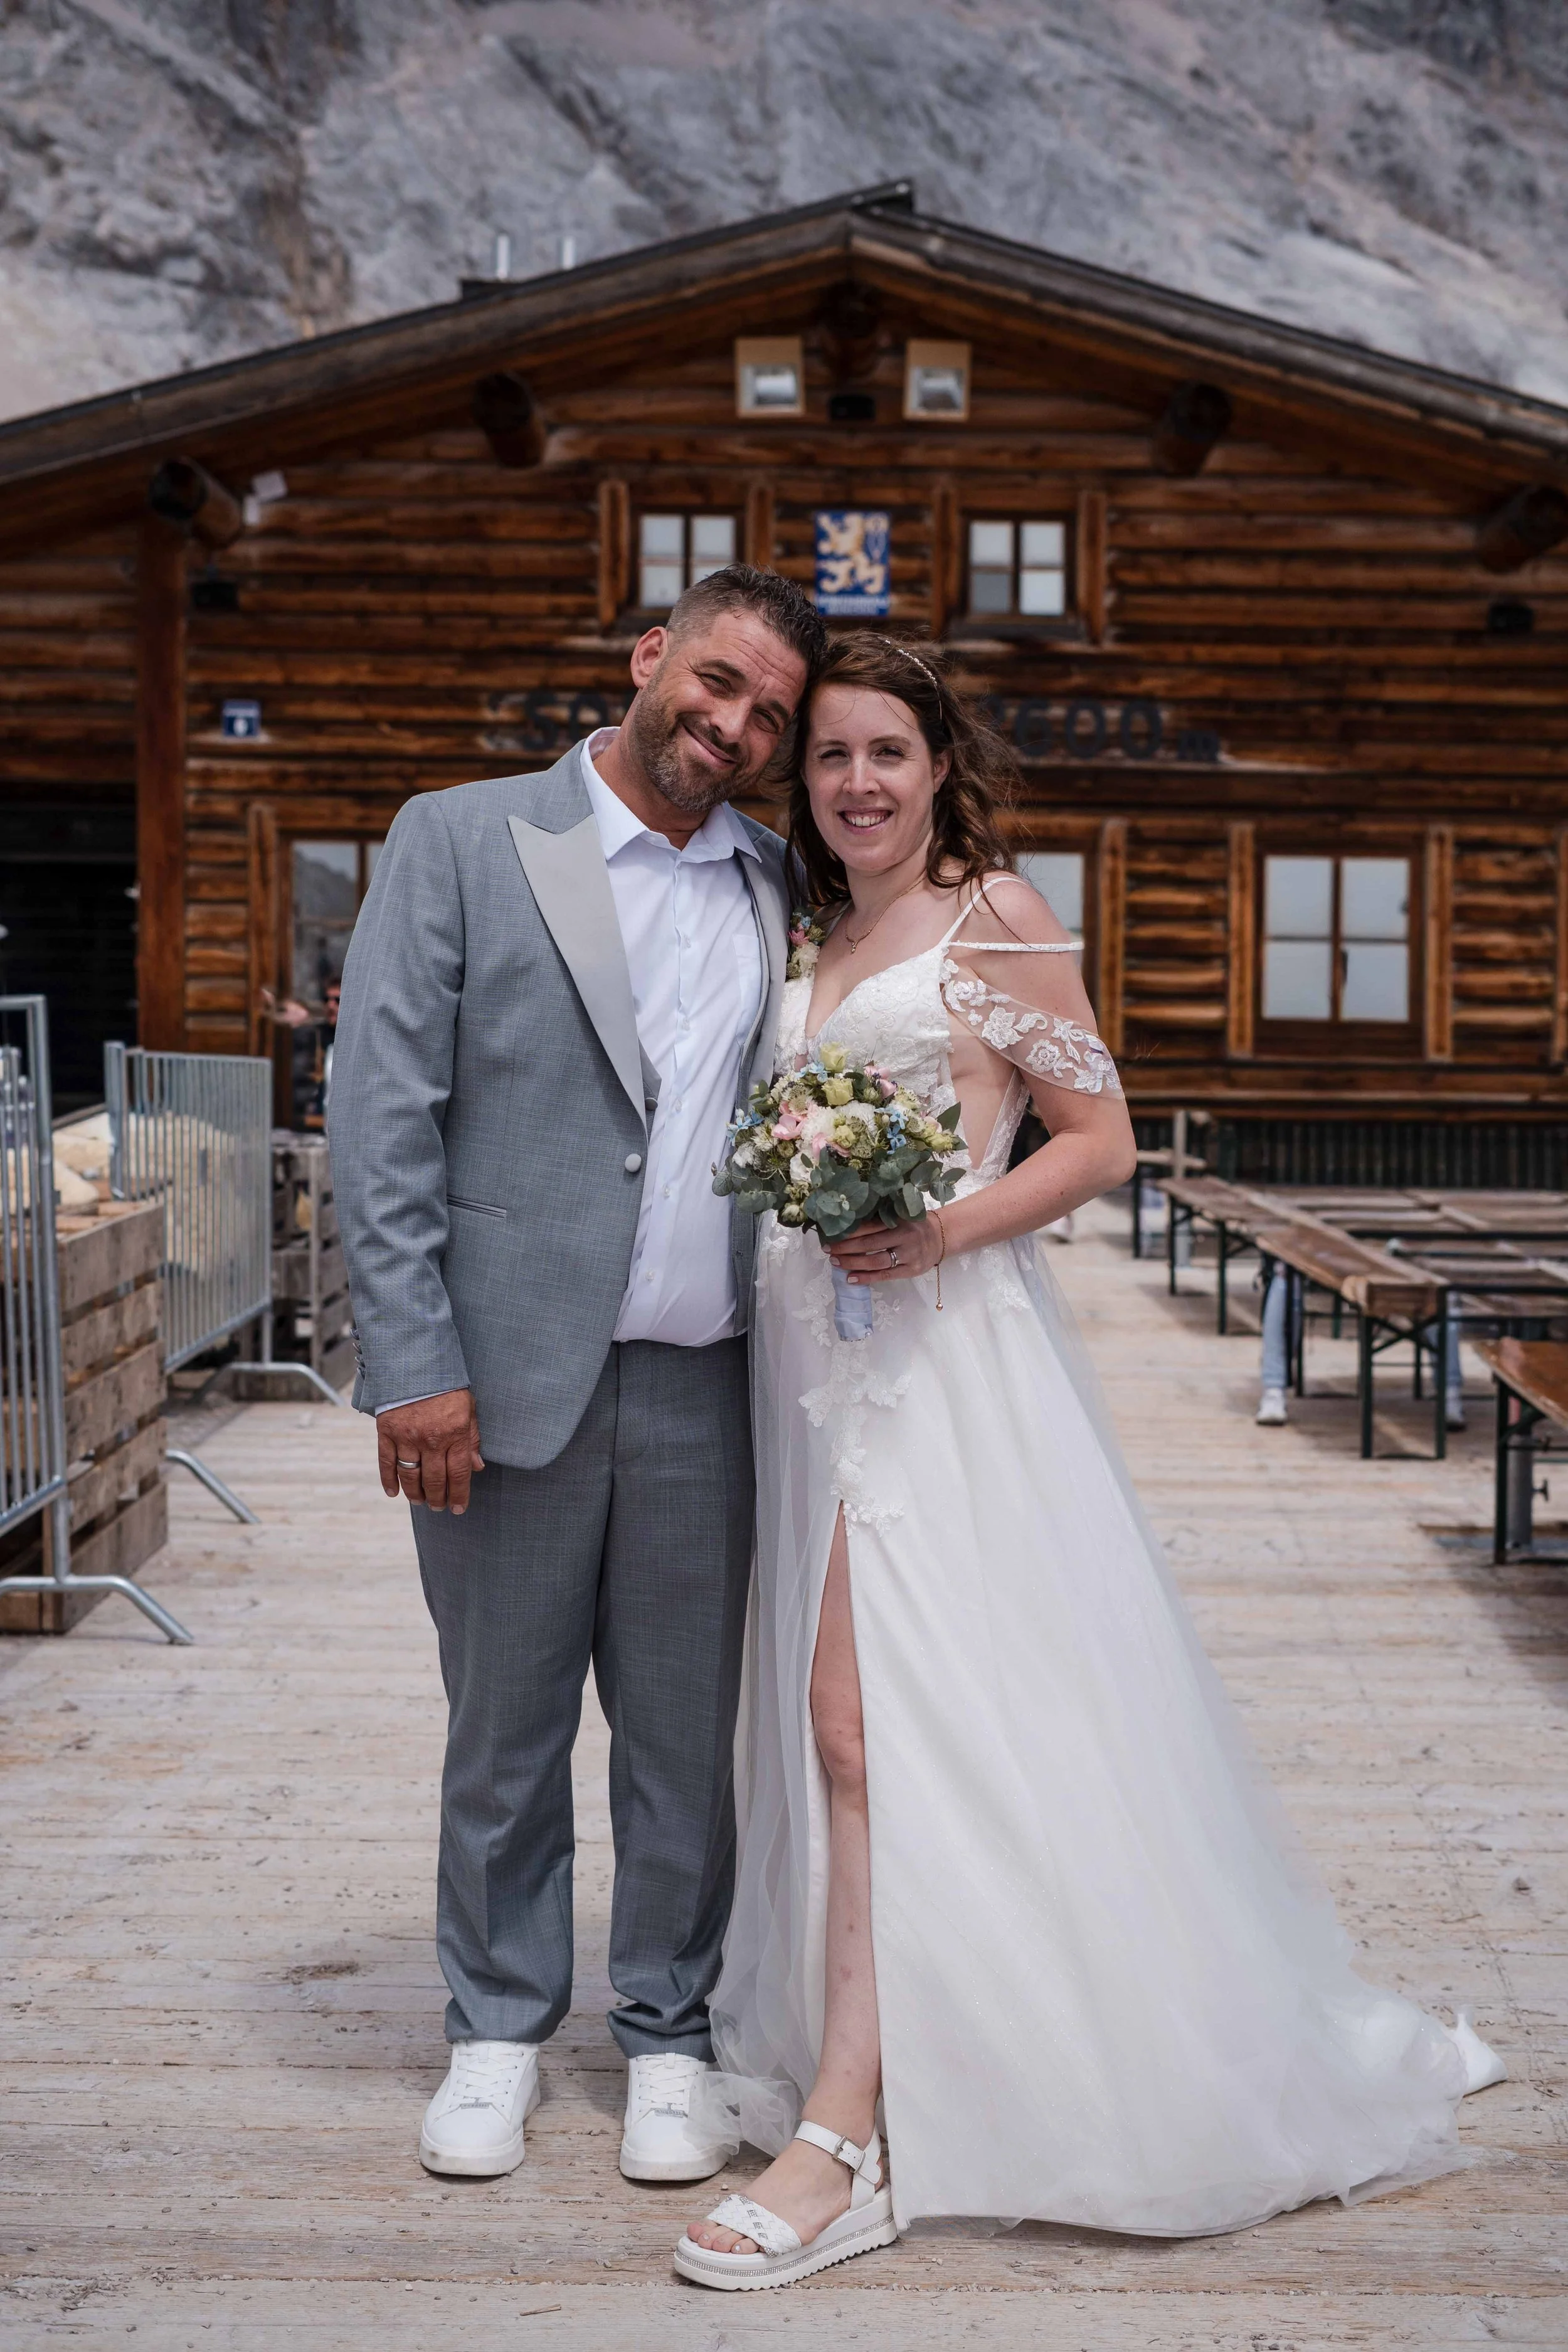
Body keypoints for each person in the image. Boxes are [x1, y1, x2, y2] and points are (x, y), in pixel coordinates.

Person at [675, 636, 1502, 2292]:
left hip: (940, 1359)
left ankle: (849, 2127)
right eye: (830, 754)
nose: (856, 782)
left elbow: (1099, 1141)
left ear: (936, 762)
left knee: (858, 1724)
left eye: (886, 753)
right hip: (801, 1358)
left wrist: (936, 1229)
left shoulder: (999, 913)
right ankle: (928, 2029)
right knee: (876, 1719)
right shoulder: (814, 922)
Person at [329, 565, 824, 2183]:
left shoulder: (772, 879)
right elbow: (382, 1115)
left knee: (687, 1731)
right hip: (500, 1374)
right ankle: (495, 2029)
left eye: (768, 714)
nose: (737, 726)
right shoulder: (464, 838)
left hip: (708, 1379)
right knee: (505, 1722)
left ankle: (667, 2033)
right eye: (721, 684)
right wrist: (412, 1366)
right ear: (649, 659)